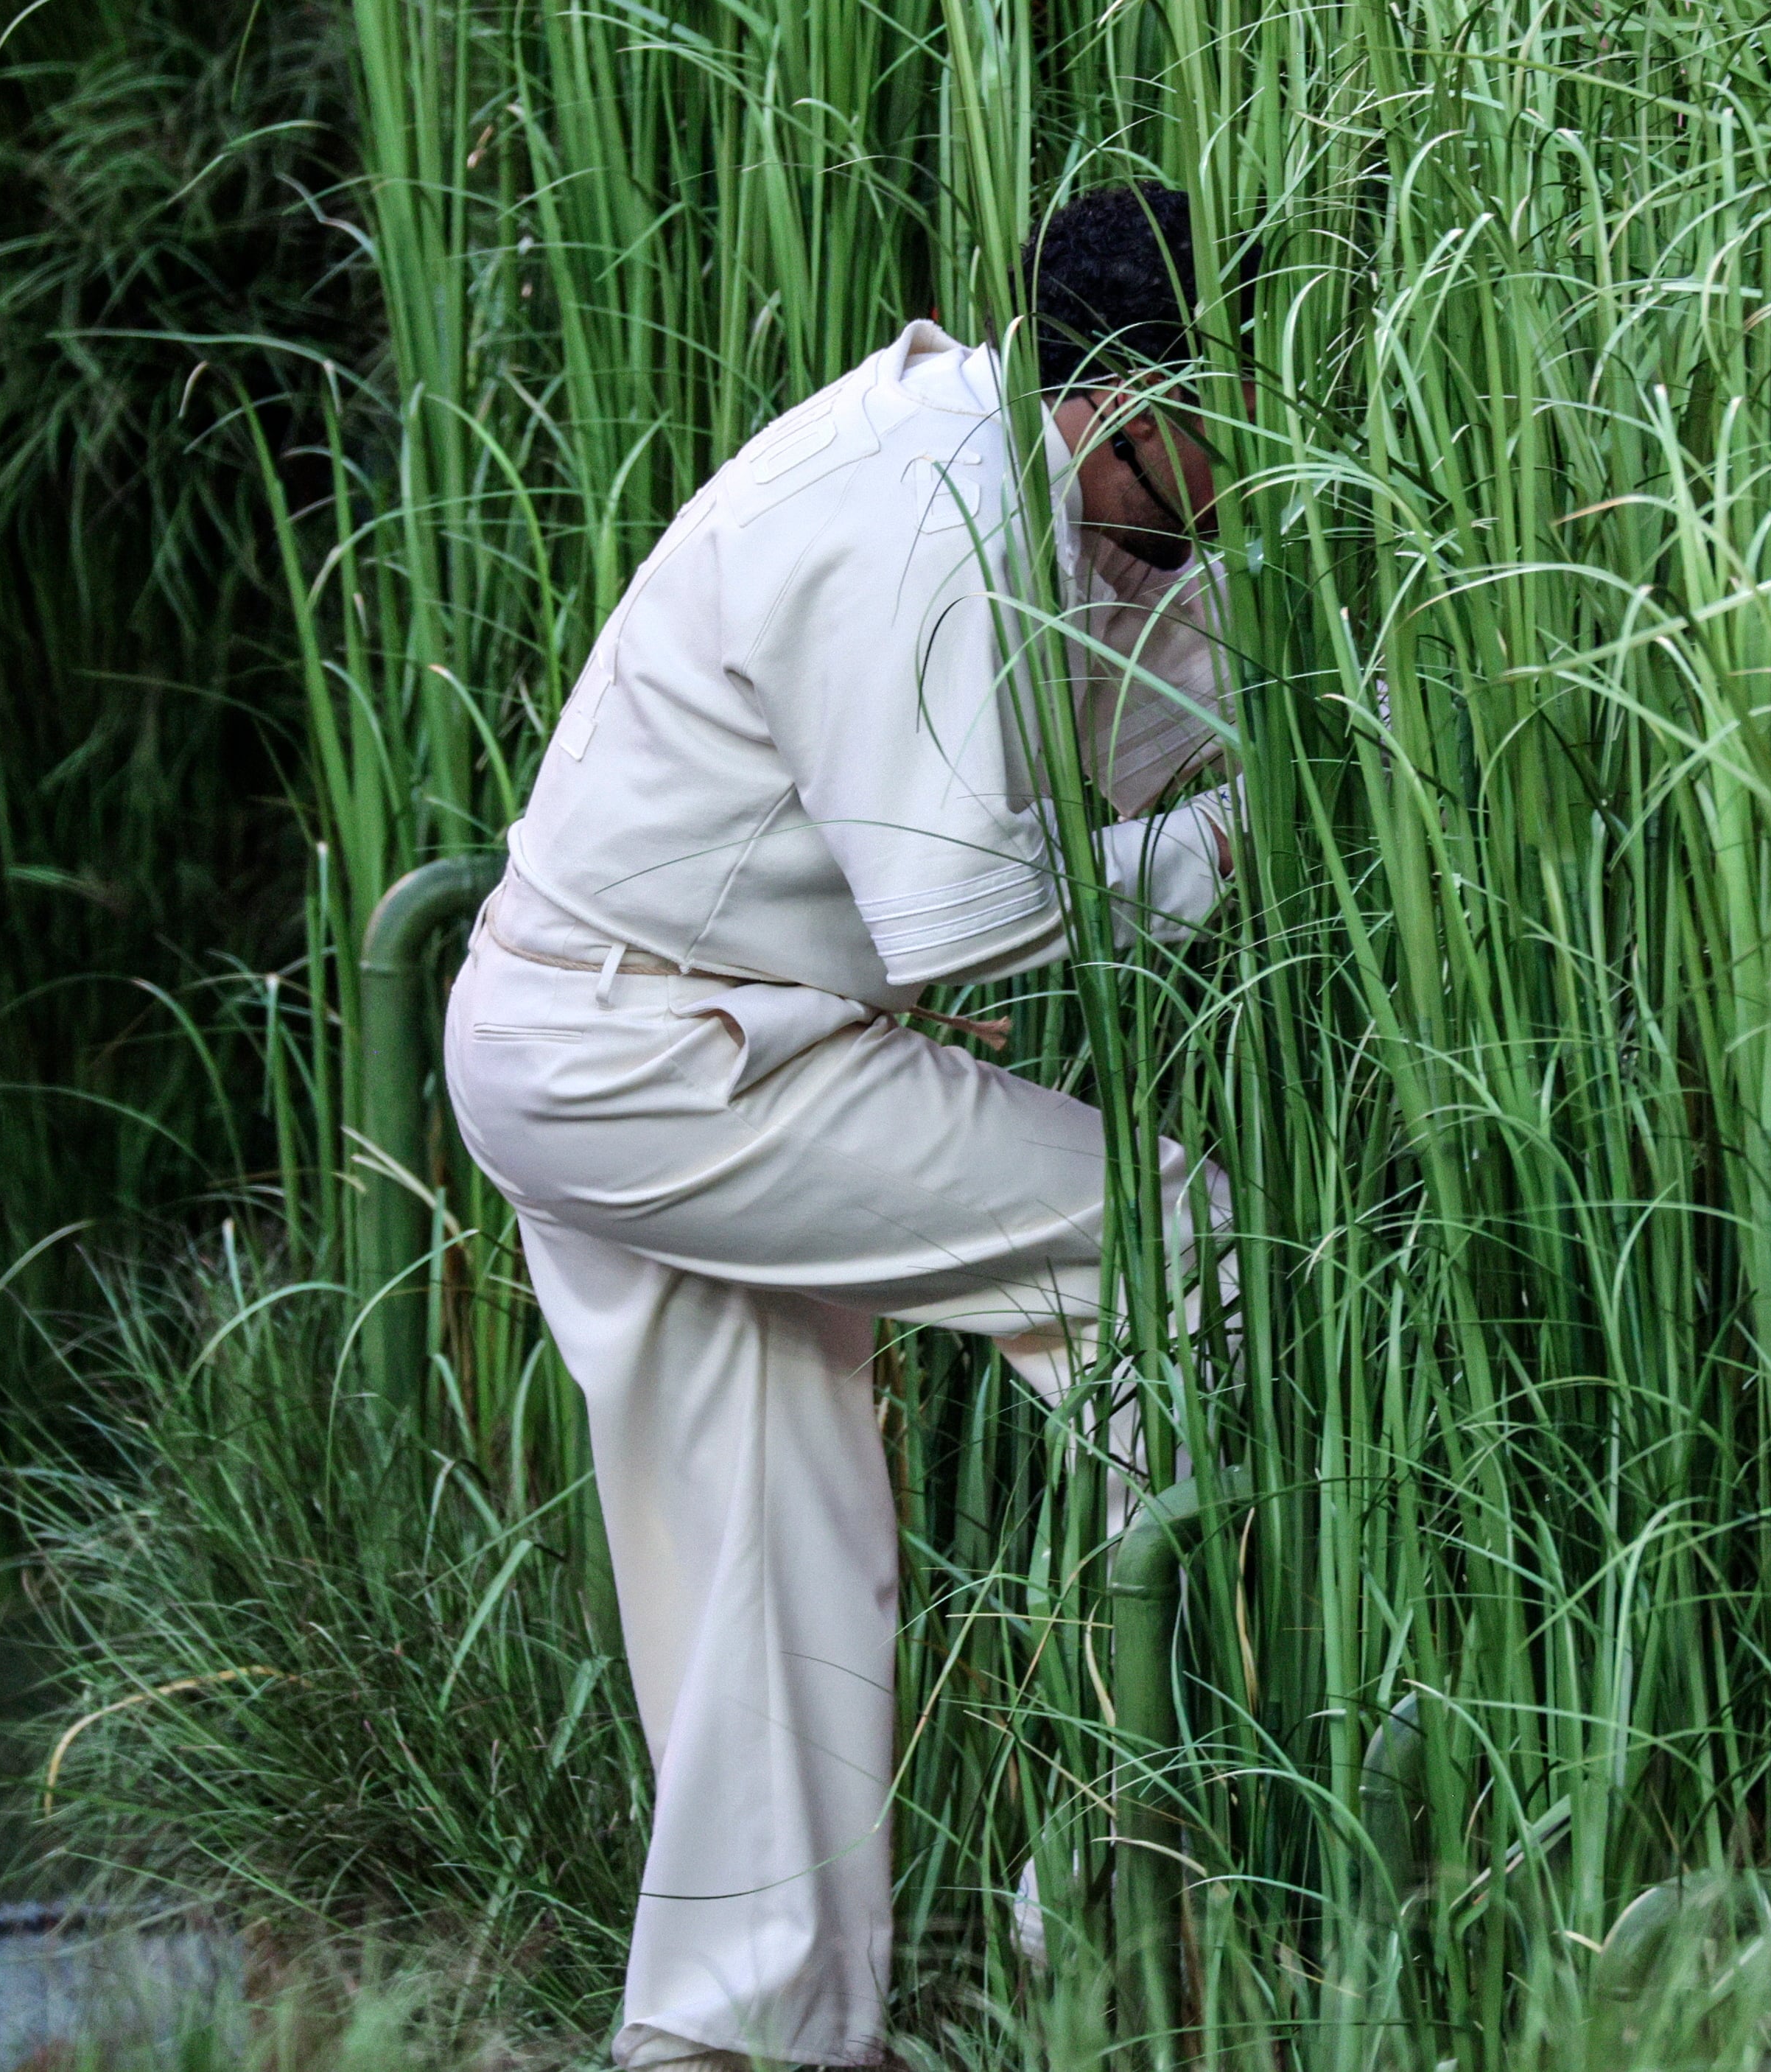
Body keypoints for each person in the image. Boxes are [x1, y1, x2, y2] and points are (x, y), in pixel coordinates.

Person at [440, 184, 1245, 2068]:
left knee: (776, 1564)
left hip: (606, 1032)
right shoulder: (930, 510)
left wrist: (1247, 691)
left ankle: (743, 2040)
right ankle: (1117, 1876)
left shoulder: (988, 459)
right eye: (1231, 419)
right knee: (1182, 1246)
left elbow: (1081, 699)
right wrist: (1239, 831)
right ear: (1123, 398)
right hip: (665, 1057)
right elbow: (985, 923)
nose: (1247, 468)